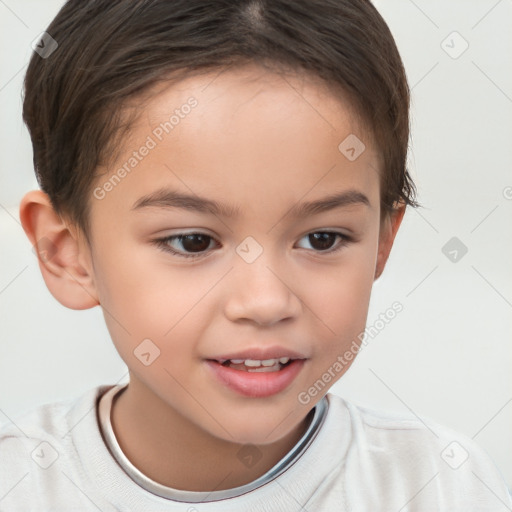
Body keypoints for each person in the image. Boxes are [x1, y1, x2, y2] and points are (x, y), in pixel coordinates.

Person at [1, 0, 510, 510]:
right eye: (193, 241)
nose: (265, 301)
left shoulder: (438, 486)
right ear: (65, 253)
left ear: (382, 241)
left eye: (322, 239)